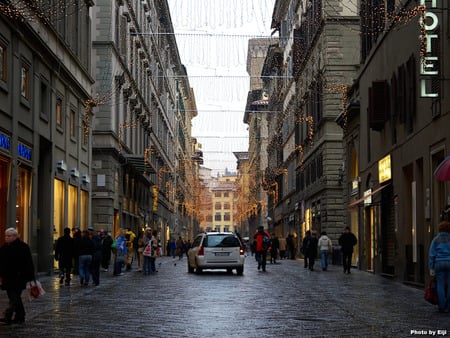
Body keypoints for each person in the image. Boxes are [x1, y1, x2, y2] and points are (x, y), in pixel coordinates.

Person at [0, 228, 35, 325]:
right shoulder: (4, 247)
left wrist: (30, 277)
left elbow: (28, 263)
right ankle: (20, 316)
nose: (6, 237)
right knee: (14, 297)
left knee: (14, 297)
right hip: (7, 278)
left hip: (19, 277)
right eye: (6, 236)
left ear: (15, 236)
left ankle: (8, 315)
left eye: (9, 236)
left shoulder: (23, 247)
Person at [428, 221, 450, 313]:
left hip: (439, 263)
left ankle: (441, 306)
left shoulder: (436, 239)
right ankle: (449, 306)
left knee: (440, 284)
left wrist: (431, 268)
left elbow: (431, 254)